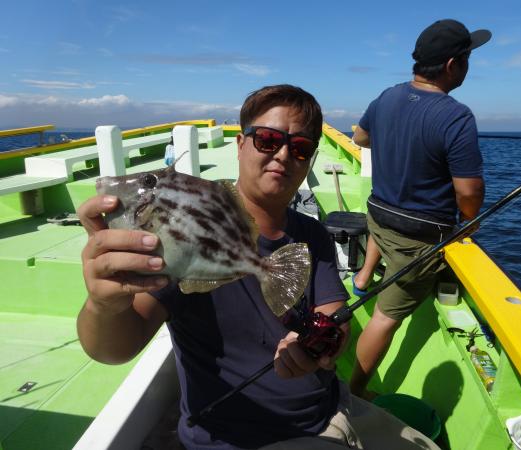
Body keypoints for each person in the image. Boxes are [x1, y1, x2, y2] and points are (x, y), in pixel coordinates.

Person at [76, 84, 440, 449]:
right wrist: (104, 304)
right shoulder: (177, 242)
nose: (283, 154)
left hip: (331, 408)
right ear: (240, 145)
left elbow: (334, 313)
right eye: (268, 139)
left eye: (300, 148)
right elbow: (114, 349)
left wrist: (319, 343)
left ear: (310, 160)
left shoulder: (312, 233)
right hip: (240, 439)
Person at [349, 19, 489, 399]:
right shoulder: (456, 116)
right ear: (452, 65)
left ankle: (362, 279)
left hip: (379, 214)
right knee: (385, 319)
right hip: (416, 238)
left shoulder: (387, 96)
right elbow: (469, 191)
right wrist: (469, 220)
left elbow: (359, 137)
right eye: (467, 59)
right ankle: (355, 391)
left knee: (382, 223)